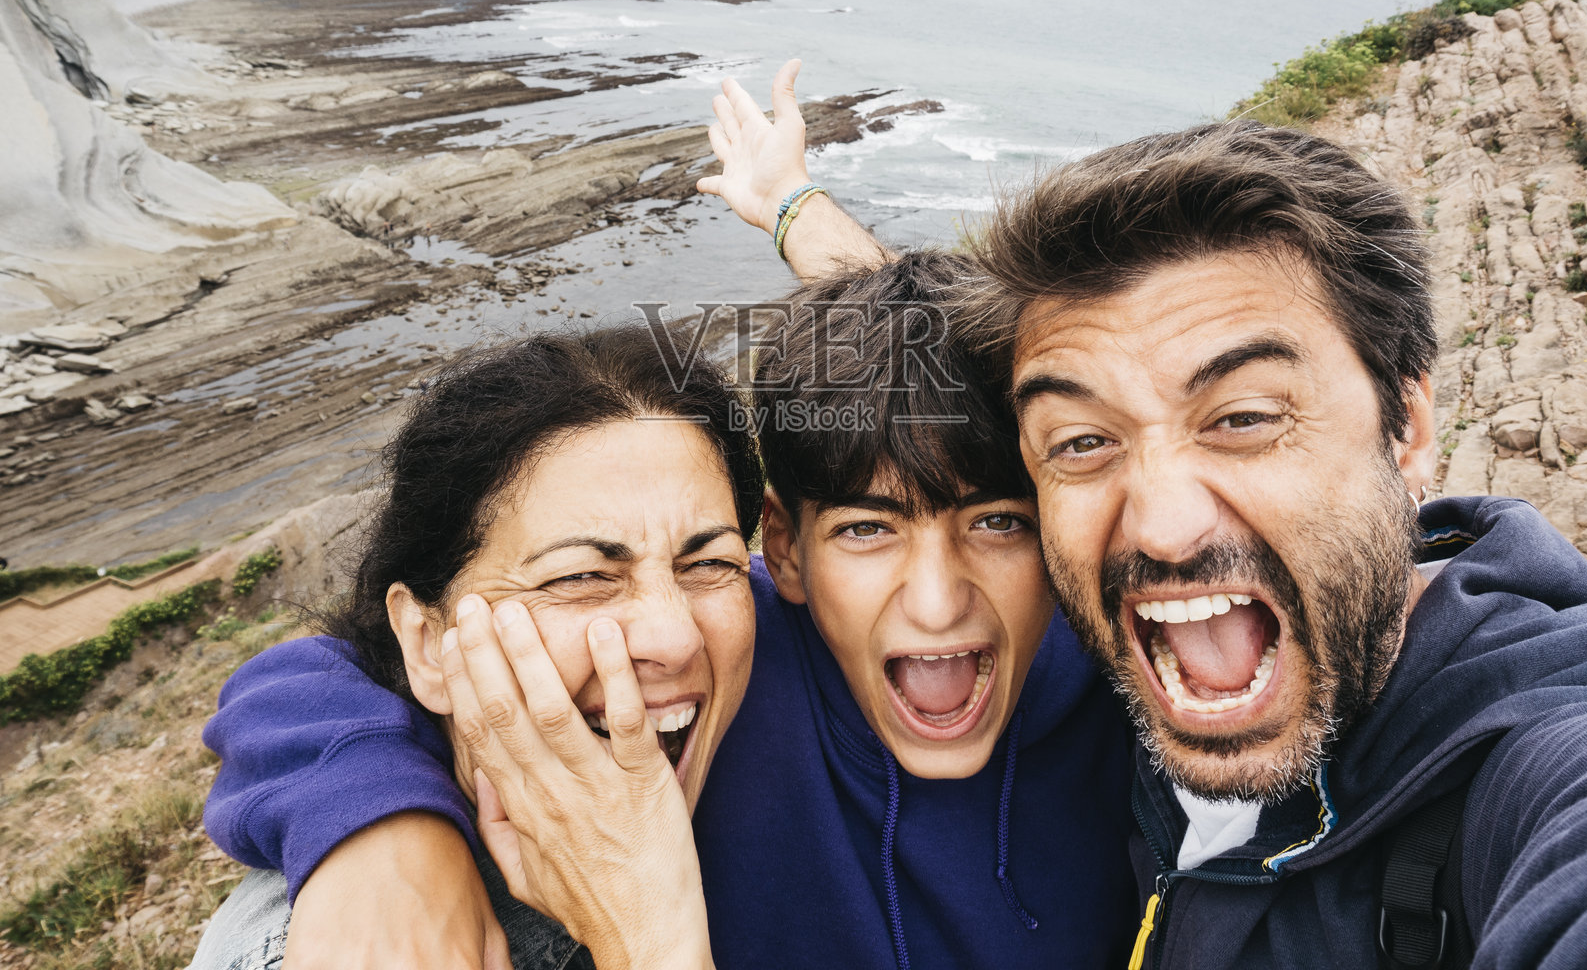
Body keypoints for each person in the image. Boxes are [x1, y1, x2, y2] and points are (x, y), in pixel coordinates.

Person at [448, 90, 1587, 968]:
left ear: (1406, 427)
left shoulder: (1532, 769)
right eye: (1084, 445)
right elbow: (341, 678)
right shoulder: (728, 652)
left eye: (1243, 418)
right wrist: (380, 850)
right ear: (782, 549)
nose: (1159, 521)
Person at [195, 240, 1136, 961]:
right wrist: (381, 827)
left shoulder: (1126, 680)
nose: (668, 632)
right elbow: (312, 679)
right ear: (789, 549)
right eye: (864, 528)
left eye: (1000, 523)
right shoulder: (761, 648)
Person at [189, 325, 765, 970]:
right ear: (428, 643)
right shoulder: (354, 945)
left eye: (709, 563)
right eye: (578, 577)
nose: (676, 637)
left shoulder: (781, 641)